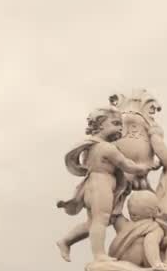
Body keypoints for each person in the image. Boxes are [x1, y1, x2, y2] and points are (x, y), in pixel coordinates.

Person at [56, 108, 153, 262]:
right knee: (100, 220)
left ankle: (66, 241)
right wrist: (143, 167)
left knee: (95, 222)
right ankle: (99, 255)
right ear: (100, 125)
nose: (120, 128)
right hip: (101, 185)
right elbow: (125, 164)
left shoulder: (92, 146)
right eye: (115, 124)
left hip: (96, 186)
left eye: (121, 125)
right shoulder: (106, 147)